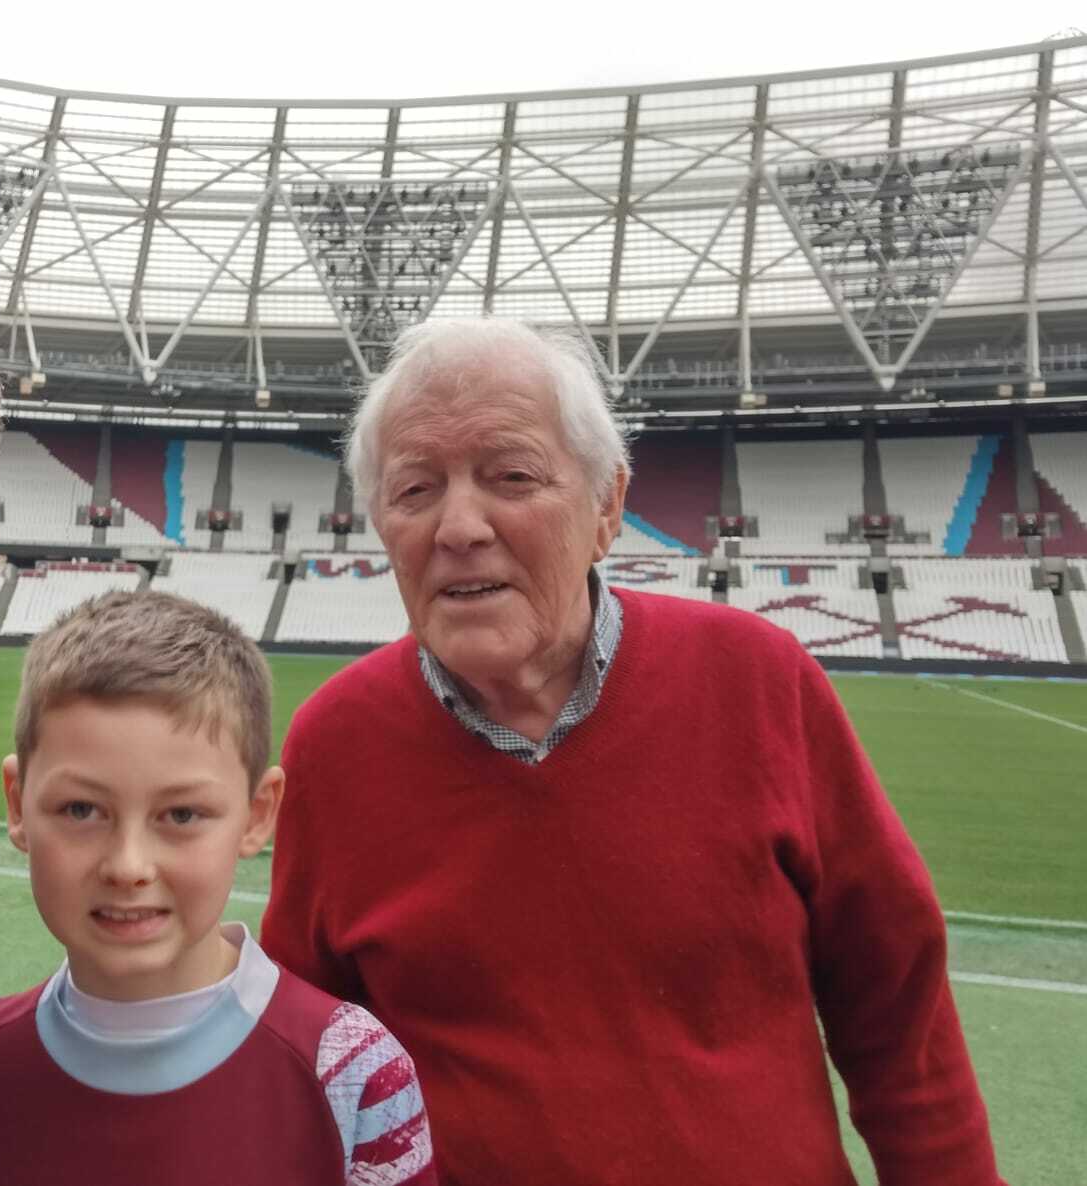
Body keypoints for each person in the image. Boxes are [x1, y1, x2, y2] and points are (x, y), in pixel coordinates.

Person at [259, 318, 1004, 1186]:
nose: (459, 526)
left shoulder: (758, 682)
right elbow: (308, 1058)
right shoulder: (334, 744)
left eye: (512, 477)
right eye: (415, 490)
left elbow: (898, 1016)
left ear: (606, 505)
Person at [0, 590, 436, 1186]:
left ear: (256, 815)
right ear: (18, 806)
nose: (128, 866)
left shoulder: (354, 1074)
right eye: (81, 808)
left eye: (183, 815)